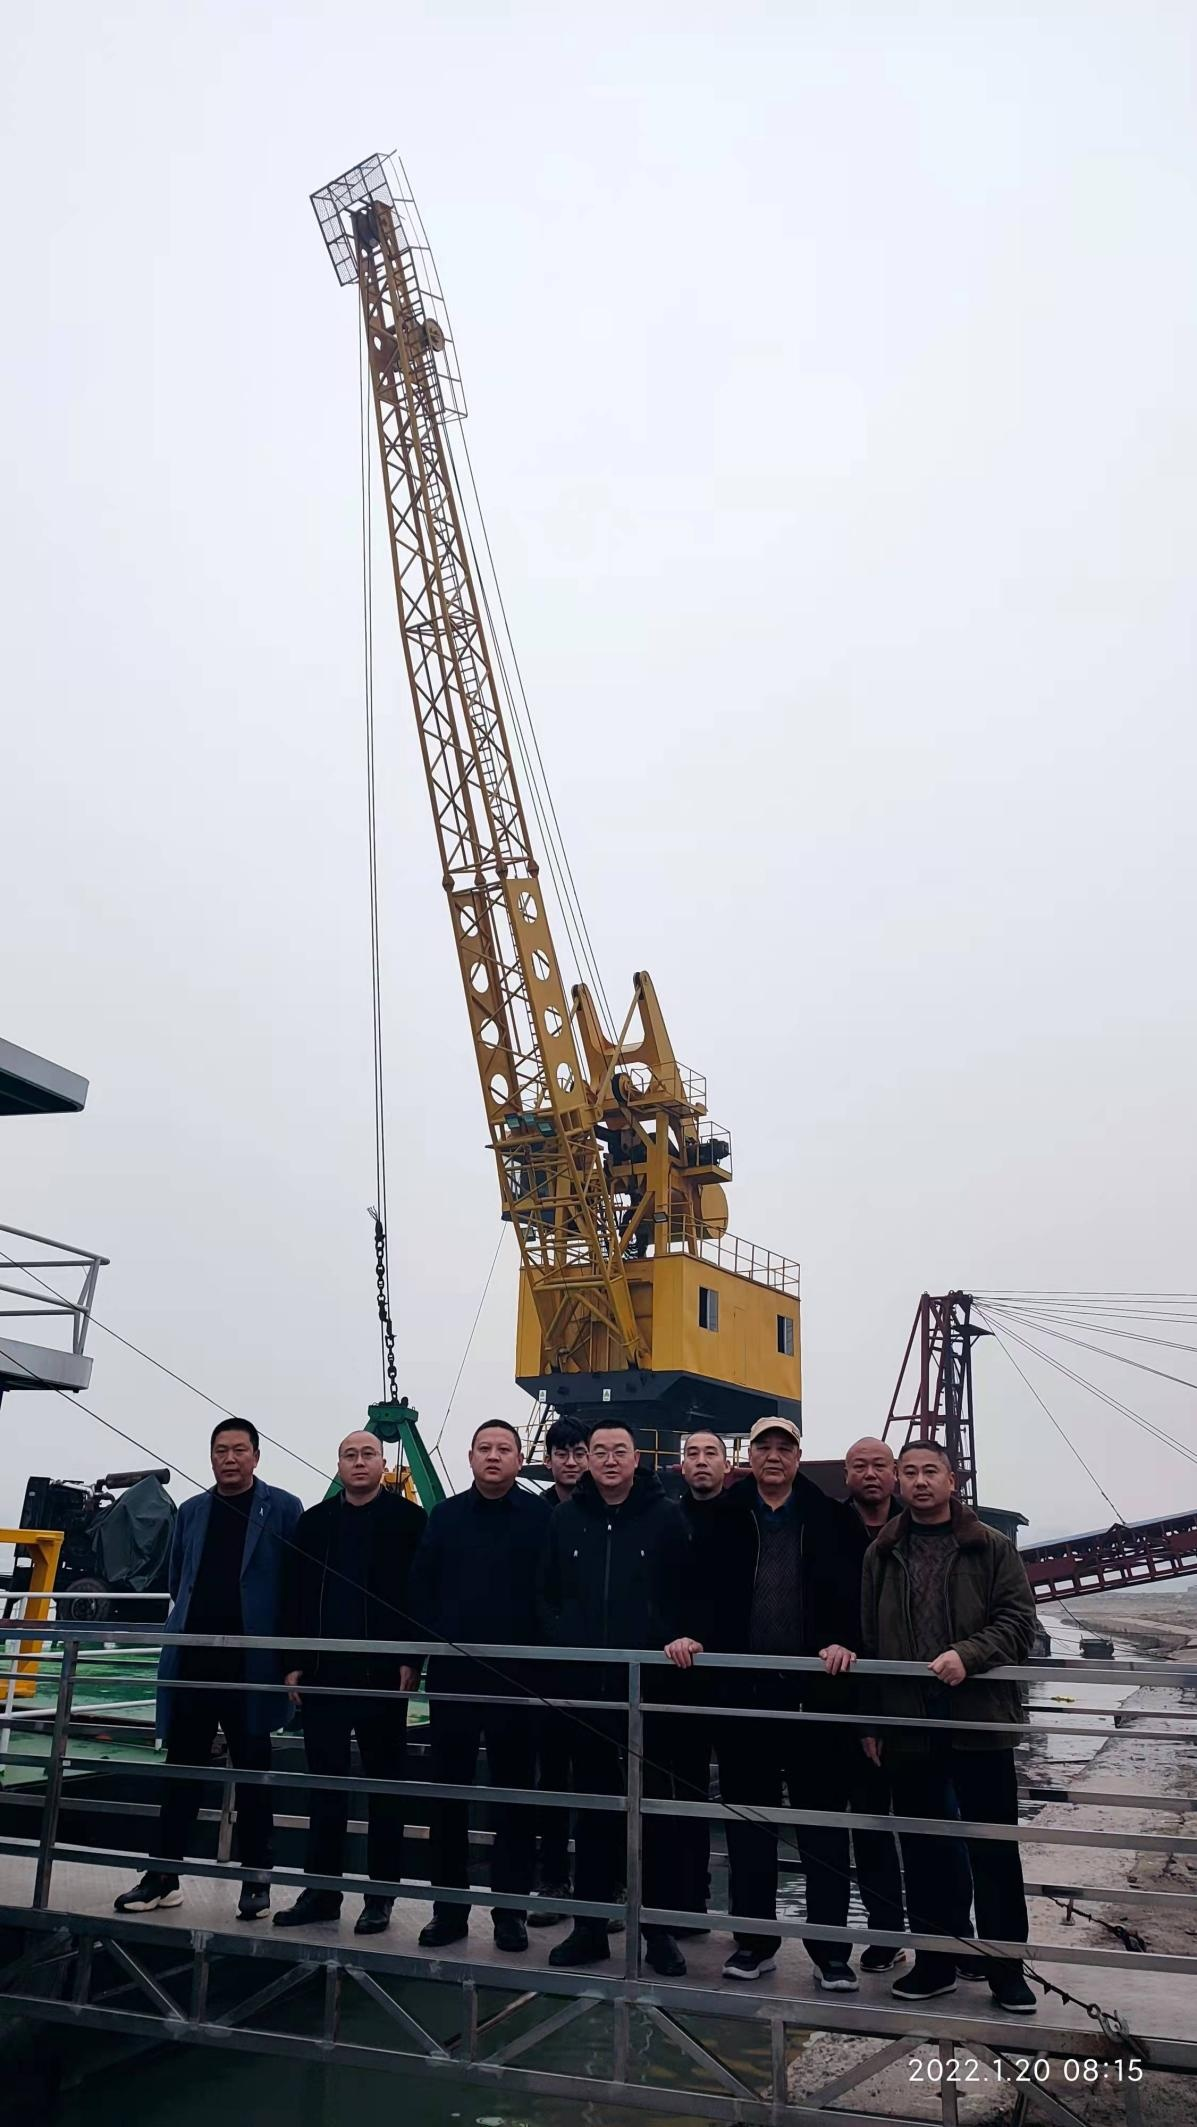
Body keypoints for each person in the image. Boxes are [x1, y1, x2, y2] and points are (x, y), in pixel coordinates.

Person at [668, 1416, 865, 1988]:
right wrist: (689, 1634)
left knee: (822, 1830)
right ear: (748, 1457)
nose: (774, 1456)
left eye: (784, 1447)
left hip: (815, 1697)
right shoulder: (723, 1518)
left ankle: (831, 1953)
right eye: (764, 1447)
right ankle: (754, 1943)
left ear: (798, 1457)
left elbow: (859, 1594)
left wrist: (846, 1640)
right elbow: (692, 1589)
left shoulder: (832, 1519)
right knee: (749, 1828)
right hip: (745, 1698)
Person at [860, 1439, 1038, 2016]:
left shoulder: (991, 1547)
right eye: (909, 1472)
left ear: (951, 1480)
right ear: (898, 1482)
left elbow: (1019, 1623)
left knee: (994, 1851)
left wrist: (969, 1654)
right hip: (909, 1723)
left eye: (930, 1471)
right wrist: (873, 1719)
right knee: (923, 1851)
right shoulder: (883, 1552)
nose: (919, 1481)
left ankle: (1006, 1971)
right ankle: (935, 1964)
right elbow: (870, 1640)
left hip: (980, 1722)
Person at [114, 1421, 303, 1919]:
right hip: (194, 1663)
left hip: (252, 1666)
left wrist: (291, 1662)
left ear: (256, 1456)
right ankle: (162, 1878)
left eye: (240, 1450)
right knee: (181, 1772)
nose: (230, 1458)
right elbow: (179, 1577)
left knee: (255, 1774)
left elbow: (294, 1587)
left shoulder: (284, 1508)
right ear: (211, 1456)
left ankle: (257, 1879)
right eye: (221, 1450)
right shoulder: (193, 1511)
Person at [539, 1419, 692, 1977]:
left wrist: (673, 1637)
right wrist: (565, 1642)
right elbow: (547, 1593)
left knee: (653, 1817)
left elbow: (686, 1593)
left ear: (635, 1458)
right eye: (598, 1450)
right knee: (595, 1814)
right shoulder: (565, 1519)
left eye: (618, 1450)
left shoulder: (666, 1516)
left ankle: (659, 1933)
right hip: (587, 1693)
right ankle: (588, 1929)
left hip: (649, 1692)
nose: (607, 1459)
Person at [273, 1432, 426, 1935]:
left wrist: (412, 1657)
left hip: (383, 1678)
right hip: (324, 1676)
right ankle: (321, 1892)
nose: (359, 1462)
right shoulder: (314, 1523)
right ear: (338, 1464)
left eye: (368, 1455)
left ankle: (380, 1897)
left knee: (386, 1789)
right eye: (349, 1455)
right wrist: (293, 1660)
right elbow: (294, 1594)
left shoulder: (409, 1521)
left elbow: (420, 1594)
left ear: (383, 1463)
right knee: (325, 1789)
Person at [407, 1420, 543, 1953]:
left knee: (514, 1799)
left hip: (519, 1680)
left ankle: (511, 1913)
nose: (493, 1456)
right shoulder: (445, 1517)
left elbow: (553, 1592)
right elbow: (421, 1587)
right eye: (484, 1447)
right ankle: (448, 1912)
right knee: (449, 1797)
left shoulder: (540, 1518)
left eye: (504, 1448)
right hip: (454, 1678)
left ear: (518, 1459)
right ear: (470, 1457)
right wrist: (428, 1646)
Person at [841, 1436, 907, 1973]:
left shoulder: (920, 1529)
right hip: (853, 1702)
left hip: (917, 1702)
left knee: (932, 1828)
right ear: (847, 1475)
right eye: (859, 1466)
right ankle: (886, 1931)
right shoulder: (831, 1530)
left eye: (879, 1465)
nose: (870, 1474)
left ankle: (952, 1937)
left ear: (895, 1474)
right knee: (869, 1827)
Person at [667, 1427, 730, 1929]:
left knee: (744, 1798)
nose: (702, 1461)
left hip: (735, 1680)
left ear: (726, 1465)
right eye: (693, 1453)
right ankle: (689, 1900)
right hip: (680, 1676)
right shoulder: (668, 1520)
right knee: (683, 1793)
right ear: (682, 1465)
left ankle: (751, 1921)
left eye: (711, 1453)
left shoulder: (745, 1518)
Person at [530, 1416, 590, 1922]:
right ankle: (552, 1880)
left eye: (579, 1452)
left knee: (601, 1782)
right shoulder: (535, 1515)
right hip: (547, 1670)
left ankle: (604, 1886)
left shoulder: (611, 1511)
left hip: (601, 1670)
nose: (571, 1462)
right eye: (562, 1453)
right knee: (550, 1778)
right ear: (548, 1460)